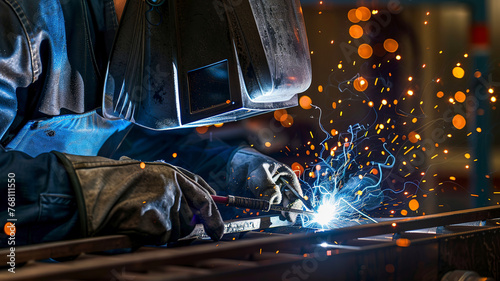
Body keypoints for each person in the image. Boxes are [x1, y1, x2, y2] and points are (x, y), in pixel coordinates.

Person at [0, 0, 303, 247]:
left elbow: (138, 146)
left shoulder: (141, 46)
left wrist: (229, 168)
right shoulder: (20, 24)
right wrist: (97, 191)